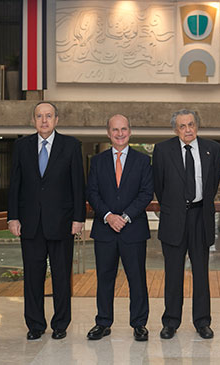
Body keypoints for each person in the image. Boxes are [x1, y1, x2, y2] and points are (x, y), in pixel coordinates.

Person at [8, 101, 86, 340]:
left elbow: (77, 185)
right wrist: (13, 217)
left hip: (62, 223)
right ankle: (35, 325)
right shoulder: (21, 146)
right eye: (39, 116)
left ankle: (60, 324)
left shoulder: (71, 146)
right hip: (30, 224)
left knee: (62, 276)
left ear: (57, 119)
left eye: (48, 116)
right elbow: (15, 185)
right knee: (33, 277)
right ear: (34, 120)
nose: (44, 120)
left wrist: (78, 218)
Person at [152, 109, 220, 339]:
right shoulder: (163, 150)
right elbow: (159, 187)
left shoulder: (213, 149)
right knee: (173, 274)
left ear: (197, 126)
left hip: (200, 217)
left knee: (201, 273)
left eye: (191, 124)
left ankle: (202, 321)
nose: (188, 129)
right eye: (182, 126)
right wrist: (174, 207)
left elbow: (213, 183)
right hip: (174, 219)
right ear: (175, 130)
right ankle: (171, 321)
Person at [86, 114, 153, 341]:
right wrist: (108, 216)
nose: (120, 133)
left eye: (124, 129)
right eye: (115, 130)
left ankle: (139, 324)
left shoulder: (143, 161)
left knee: (137, 279)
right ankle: (103, 323)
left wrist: (124, 217)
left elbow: (146, 193)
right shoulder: (97, 161)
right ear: (108, 133)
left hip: (132, 229)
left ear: (130, 131)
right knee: (105, 278)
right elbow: (92, 192)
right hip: (105, 229)